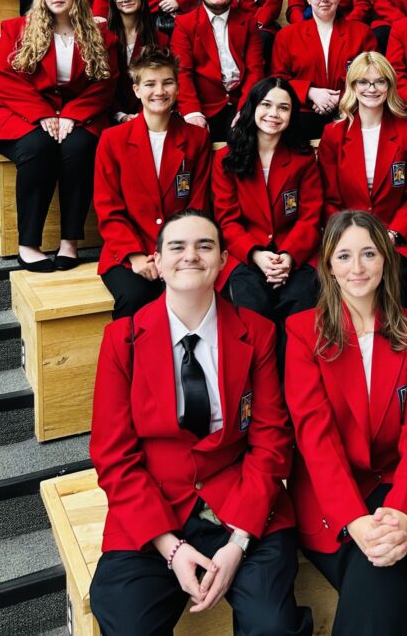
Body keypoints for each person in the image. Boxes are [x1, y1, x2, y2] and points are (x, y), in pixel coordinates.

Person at [89, 210, 313, 636]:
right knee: (125, 616)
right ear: (156, 261)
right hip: (155, 508)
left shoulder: (258, 332)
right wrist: (170, 550)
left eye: (204, 245)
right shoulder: (122, 341)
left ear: (224, 260)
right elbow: (112, 455)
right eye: (176, 246)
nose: (190, 255)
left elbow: (270, 441)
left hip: (242, 504)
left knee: (271, 625)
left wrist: (238, 544)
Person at [284, 211, 407, 636]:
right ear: (328, 266)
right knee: (384, 577)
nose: (357, 268)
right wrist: (355, 519)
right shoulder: (303, 333)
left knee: (379, 572)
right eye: (345, 256)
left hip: (397, 488)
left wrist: (405, 512)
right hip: (329, 501)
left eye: (369, 254)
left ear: (386, 260)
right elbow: (315, 438)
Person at [0, 0, 117, 272]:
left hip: (78, 114)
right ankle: (28, 243)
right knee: (38, 148)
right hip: (22, 113)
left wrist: (72, 114)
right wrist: (43, 114)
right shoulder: (16, 28)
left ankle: (69, 241)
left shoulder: (98, 34)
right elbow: (4, 78)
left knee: (79, 148)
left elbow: (105, 83)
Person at [94, 48, 211, 318]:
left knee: (191, 295)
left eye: (167, 82)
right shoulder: (112, 140)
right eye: (150, 84)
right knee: (135, 297)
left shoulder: (196, 139)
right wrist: (135, 255)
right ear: (136, 90)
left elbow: (196, 205)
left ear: (178, 87)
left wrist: (174, 253)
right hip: (127, 251)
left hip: (181, 249)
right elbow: (108, 208)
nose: (159, 91)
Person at [318, 53, 407, 307]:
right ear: (352, 86)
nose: (372, 89)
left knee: (399, 280)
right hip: (349, 236)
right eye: (363, 82)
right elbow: (330, 200)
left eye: (380, 81)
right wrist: (352, 236)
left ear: (389, 86)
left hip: (398, 238)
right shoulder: (333, 134)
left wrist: (390, 235)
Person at [212, 77, 321, 329]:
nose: (274, 114)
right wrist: (257, 255)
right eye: (266, 105)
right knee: (253, 310)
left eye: (283, 107)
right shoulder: (225, 160)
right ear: (253, 108)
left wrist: (288, 257)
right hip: (246, 254)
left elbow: (310, 217)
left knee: (301, 308)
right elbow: (227, 220)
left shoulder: (303, 159)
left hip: (295, 255)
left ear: (292, 114)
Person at [271, 0, 377, 139]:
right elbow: (278, 78)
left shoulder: (362, 33)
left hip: (351, 108)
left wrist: (342, 98)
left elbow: (373, 76)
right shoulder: (287, 36)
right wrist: (310, 92)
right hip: (304, 109)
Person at [170, 0, 265, 141]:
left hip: (238, 102)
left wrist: (246, 109)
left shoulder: (248, 22)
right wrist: (192, 112)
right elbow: (182, 72)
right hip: (204, 105)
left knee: (249, 138)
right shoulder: (185, 23)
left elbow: (255, 70)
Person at [106, 0, 164, 122]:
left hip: (149, 114)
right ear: (113, 1)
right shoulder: (102, 36)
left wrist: (141, 115)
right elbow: (102, 85)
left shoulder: (160, 39)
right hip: (108, 114)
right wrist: (121, 116)